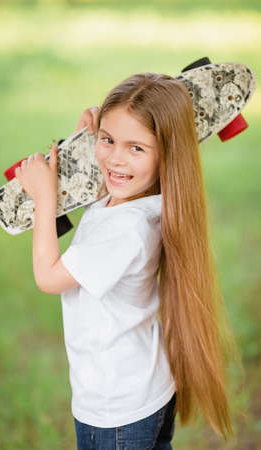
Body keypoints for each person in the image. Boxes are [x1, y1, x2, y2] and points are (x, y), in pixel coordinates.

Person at [15, 72, 241, 449]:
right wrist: (89, 144)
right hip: (145, 387)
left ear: (167, 153)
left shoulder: (126, 230)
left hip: (116, 407)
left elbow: (48, 278)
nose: (115, 158)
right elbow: (106, 194)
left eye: (136, 148)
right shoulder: (145, 199)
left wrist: (44, 198)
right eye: (109, 140)